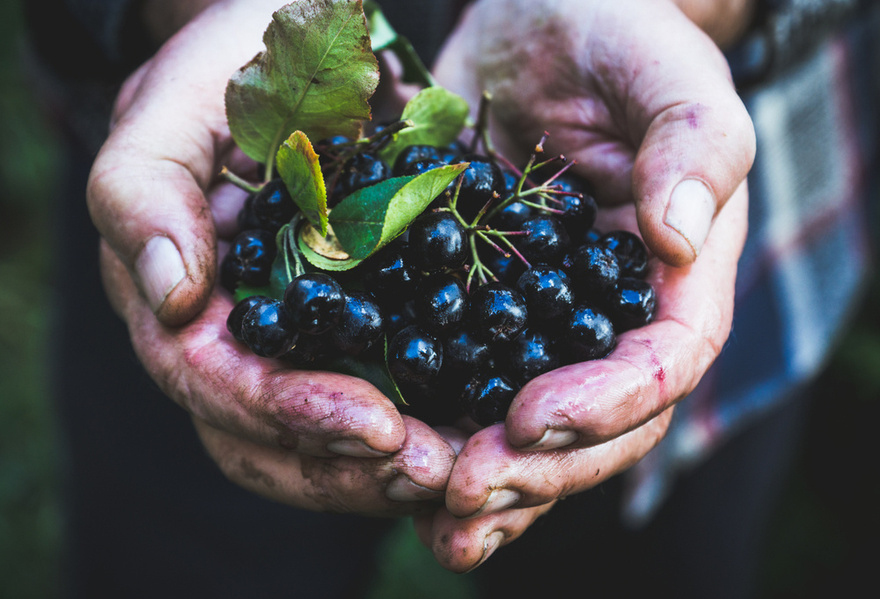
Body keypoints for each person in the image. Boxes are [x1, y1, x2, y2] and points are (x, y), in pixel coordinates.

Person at [23, 0, 877, 597]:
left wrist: (703, 6)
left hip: (747, 214)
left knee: (651, 566)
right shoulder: (286, 229)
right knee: (190, 555)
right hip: (205, 183)